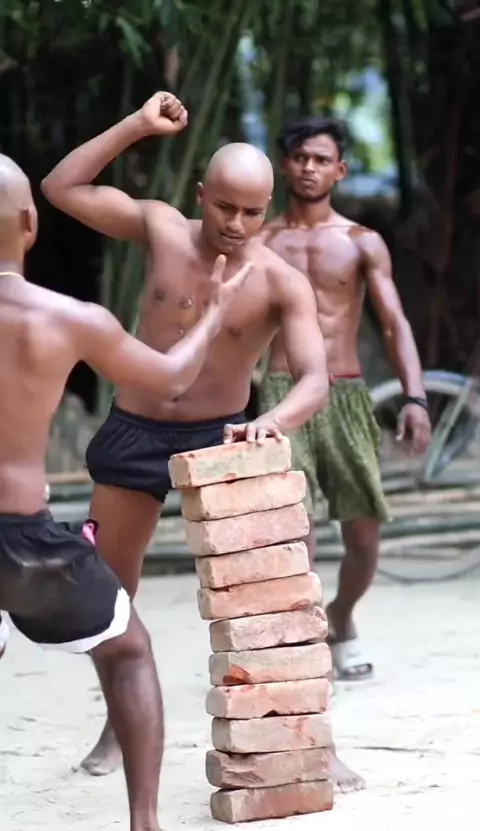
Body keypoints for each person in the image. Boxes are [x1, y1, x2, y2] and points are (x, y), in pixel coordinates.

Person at [40, 92, 364, 791]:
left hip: (224, 436)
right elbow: (59, 188)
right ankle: (118, 726)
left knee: (274, 595)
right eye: (223, 207)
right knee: (109, 593)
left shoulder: (281, 281)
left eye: (251, 212)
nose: (235, 225)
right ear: (200, 195)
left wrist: (274, 421)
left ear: (267, 208)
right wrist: (136, 124)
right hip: (134, 431)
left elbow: (315, 379)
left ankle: (317, 736)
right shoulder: (162, 228)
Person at [0, 152, 256, 831]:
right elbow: (169, 378)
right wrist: (215, 314)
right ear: (30, 224)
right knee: (129, 651)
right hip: (23, 537)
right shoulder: (69, 318)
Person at [259, 116, 432, 682]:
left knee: (363, 535)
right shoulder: (261, 241)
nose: (309, 168)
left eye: (321, 159)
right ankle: (309, 640)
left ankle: (342, 615)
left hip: (346, 392)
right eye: (300, 158)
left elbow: (394, 323)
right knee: (296, 526)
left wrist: (415, 398)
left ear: (341, 170)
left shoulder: (361, 242)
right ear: (285, 165)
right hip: (281, 392)